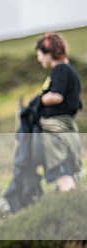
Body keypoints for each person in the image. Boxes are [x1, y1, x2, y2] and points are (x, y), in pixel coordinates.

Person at [34, 32, 82, 192]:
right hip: (65, 128)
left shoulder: (60, 70)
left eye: (39, 54)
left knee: (63, 175)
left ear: (49, 53)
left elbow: (57, 96)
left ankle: (74, 212)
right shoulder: (70, 70)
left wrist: (40, 100)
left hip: (56, 131)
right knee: (65, 174)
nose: (38, 59)